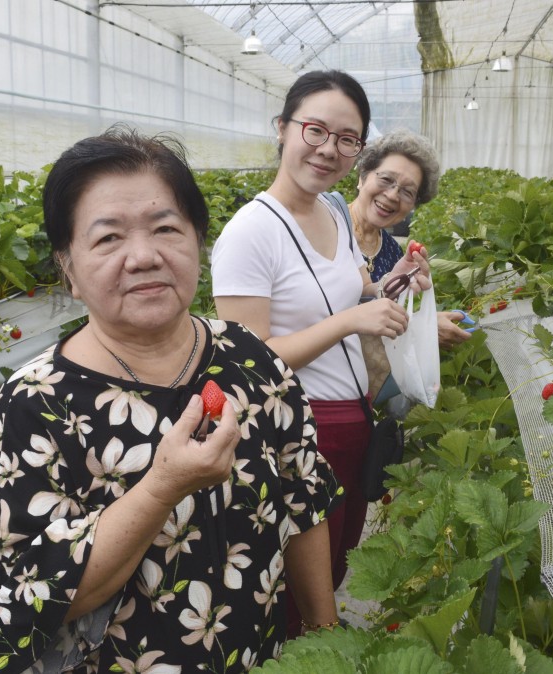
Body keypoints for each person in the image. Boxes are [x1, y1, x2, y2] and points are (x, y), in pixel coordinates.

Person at [0, 126, 343, 673]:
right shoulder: (34, 407)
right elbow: (25, 605)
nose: (143, 256)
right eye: (108, 238)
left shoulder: (249, 358)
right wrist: (163, 487)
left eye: (166, 228)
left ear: (198, 241)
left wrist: (327, 638)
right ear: (69, 270)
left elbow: (303, 500)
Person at [210, 70, 430, 635]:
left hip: (352, 415)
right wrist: (349, 321)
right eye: (315, 129)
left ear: (357, 149)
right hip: (299, 430)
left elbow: (359, 295)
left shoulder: (333, 211)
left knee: (334, 563)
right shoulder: (249, 233)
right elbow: (248, 363)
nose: (329, 148)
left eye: (347, 137)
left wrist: (397, 282)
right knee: (294, 589)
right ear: (282, 129)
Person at [348, 130, 473, 350]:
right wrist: (422, 330)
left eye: (407, 192)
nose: (393, 195)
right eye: (386, 179)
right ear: (362, 177)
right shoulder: (330, 228)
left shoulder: (393, 253)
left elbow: (382, 324)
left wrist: (425, 321)